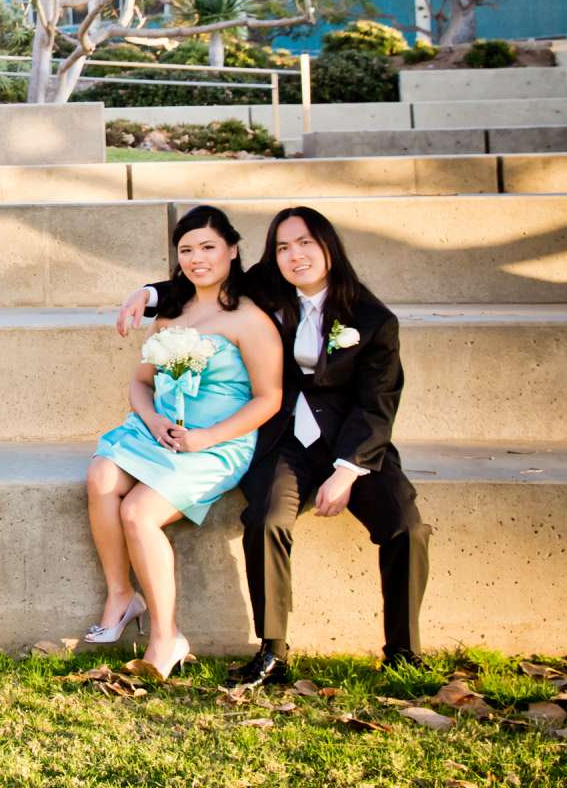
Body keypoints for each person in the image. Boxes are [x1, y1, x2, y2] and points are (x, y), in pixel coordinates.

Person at [116, 205, 429, 681]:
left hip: (352, 444)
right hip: (284, 441)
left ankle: (403, 651)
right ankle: (273, 651)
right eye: (283, 247)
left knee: (405, 525)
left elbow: (378, 403)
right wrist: (148, 292)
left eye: (305, 243)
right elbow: (204, 274)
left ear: (329, 248)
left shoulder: (373, 318)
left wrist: (347, 470)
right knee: (265, 520)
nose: (294, 256)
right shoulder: (265, 287)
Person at [86, 204, 283, 680]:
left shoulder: (250, 320)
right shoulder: (171, 313)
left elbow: (269, 397)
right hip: (159, 431)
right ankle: (120, 594)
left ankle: (165, 636)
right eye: (186, 250)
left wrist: (206, 437)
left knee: (138, 511)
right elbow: (140, 383)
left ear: (232, 252)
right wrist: (151, 420)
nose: (197, 259)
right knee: (100, 476)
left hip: (216, 442)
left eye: (208, 248)